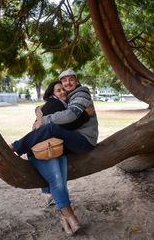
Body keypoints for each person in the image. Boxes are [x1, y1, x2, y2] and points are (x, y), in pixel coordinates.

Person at [10, 69, 98, 235]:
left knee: (57, 174)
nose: (66, 86)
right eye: (63, 83)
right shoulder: (61, 100)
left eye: (70, 80)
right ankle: (65, 216)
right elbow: (48, 110)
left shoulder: (79, 95)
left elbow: (70, 116)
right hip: (58, 144)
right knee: (58, 175)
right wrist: (39, 113)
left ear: (76, 81)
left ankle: (18, 146)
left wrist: (42, 119)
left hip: (79, 141)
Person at [32, 80, 90, 207]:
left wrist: (37, 109)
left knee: (57, 170)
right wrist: (84, 117)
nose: (63, 92)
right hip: (46, 144)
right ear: (52, 94)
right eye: (58, 90)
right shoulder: (55, 104)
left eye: (63, 89)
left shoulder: (60, 103)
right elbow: (67, 123)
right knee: (55, 172)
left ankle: (51, 196)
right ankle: (53, 198)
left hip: (51, 142)